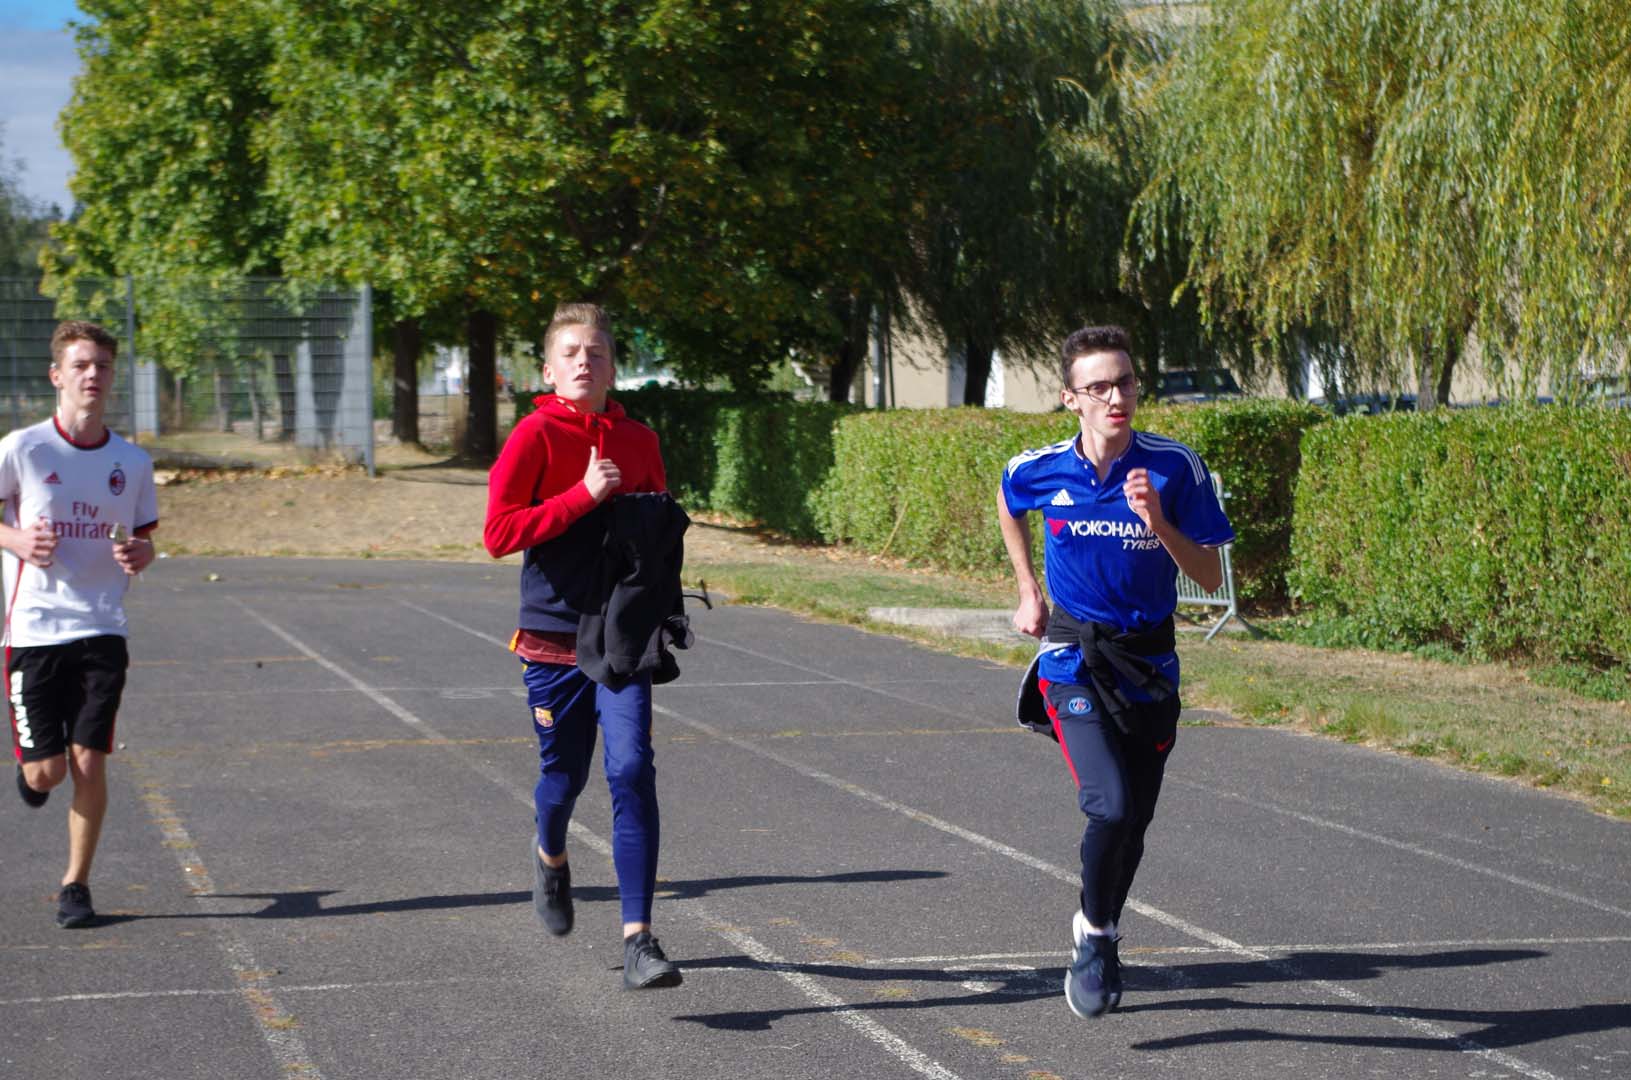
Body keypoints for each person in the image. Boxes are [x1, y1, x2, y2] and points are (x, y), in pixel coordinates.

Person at [998, 325, 1233, 1018]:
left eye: (1124, 382)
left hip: (1149, 662)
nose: (1115, 396)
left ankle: (1097, 923)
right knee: (1109, 804)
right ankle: (1096, 939)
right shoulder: (1037, 467)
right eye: (1097, 386)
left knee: (1135, 820)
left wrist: (1156, 521)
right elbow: (1010, 503)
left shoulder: (1173, 469)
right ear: (1070, 399)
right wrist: (1025, 589)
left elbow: (1208, 572)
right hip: (1071, 656)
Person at [483, 302, 682, 990]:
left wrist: (665, 606)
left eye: (594, 352)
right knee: (562, 780)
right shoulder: (532, 436)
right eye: (569, 352)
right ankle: (550, 855)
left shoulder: (641, 440)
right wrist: (581, 495)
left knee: (630, 770)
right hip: (550, 638)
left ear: (612, 368)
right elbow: (499, 533)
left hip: (622, 640)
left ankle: (639, 940)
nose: (582, 362)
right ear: (547, 367)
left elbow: (656, 539)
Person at [1, 320, 159, 929]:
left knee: (90, 760)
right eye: (83, 365)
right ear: (57, 376)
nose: (94, 376)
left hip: (101, 627)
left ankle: (76, 886)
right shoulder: (24, 448)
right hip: (34, 630)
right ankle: (34, 773)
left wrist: (142, 556)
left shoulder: (132, 461)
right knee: (50, 770)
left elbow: (141, 541)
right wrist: (16, 538)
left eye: (103, 367)